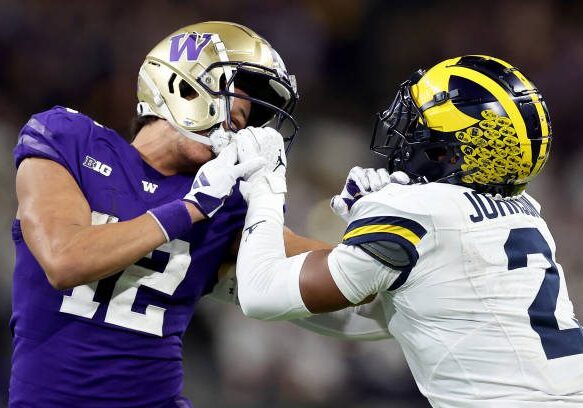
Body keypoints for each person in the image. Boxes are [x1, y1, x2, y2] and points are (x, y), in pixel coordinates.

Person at [9, 21, 334, 407]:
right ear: (184, 84)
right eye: (236, 108)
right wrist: (190, 208)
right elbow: (64, 259)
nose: (238, 129)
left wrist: (390, 235)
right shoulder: (71, 139)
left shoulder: (223, 202)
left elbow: (312, 265)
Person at [233, 55, 583, 406]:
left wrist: (266, 181)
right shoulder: (526, 214)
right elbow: (379, 313)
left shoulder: (417, 211)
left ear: (450, 149)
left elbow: (260, 293)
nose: (408, 133)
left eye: (420, 124)